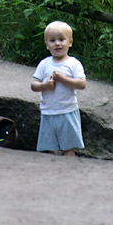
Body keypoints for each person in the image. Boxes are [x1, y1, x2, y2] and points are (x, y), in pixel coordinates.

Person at [31, 20, 87, 157]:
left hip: (67, 111)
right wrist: (44, 85)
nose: (57, 43)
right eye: (52, 40)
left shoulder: (73, 63)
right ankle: (54, 173)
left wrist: (63, 79)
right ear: (47, 45)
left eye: (62, 39)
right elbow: (34, 85)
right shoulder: (44, 64)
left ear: (70, 42)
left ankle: (70, 172)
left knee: (68, 148)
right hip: (48, 113)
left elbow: (82, 84)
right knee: (51, 149)